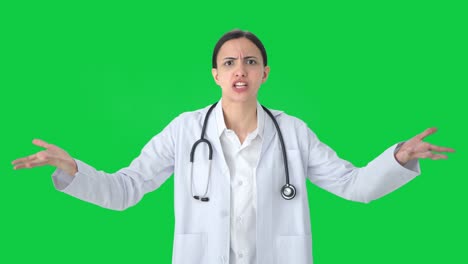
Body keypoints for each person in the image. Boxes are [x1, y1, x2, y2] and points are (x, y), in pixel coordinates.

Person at [12, 29, 455, 264]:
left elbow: (353, 185)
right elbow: (126, 189)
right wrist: (74, 170)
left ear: (264, 73)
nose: (239, 69)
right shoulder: (185, 131)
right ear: (216, 75)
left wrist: (396, 157)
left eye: (249, 61)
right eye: (229, 62)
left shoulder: (293, 132)